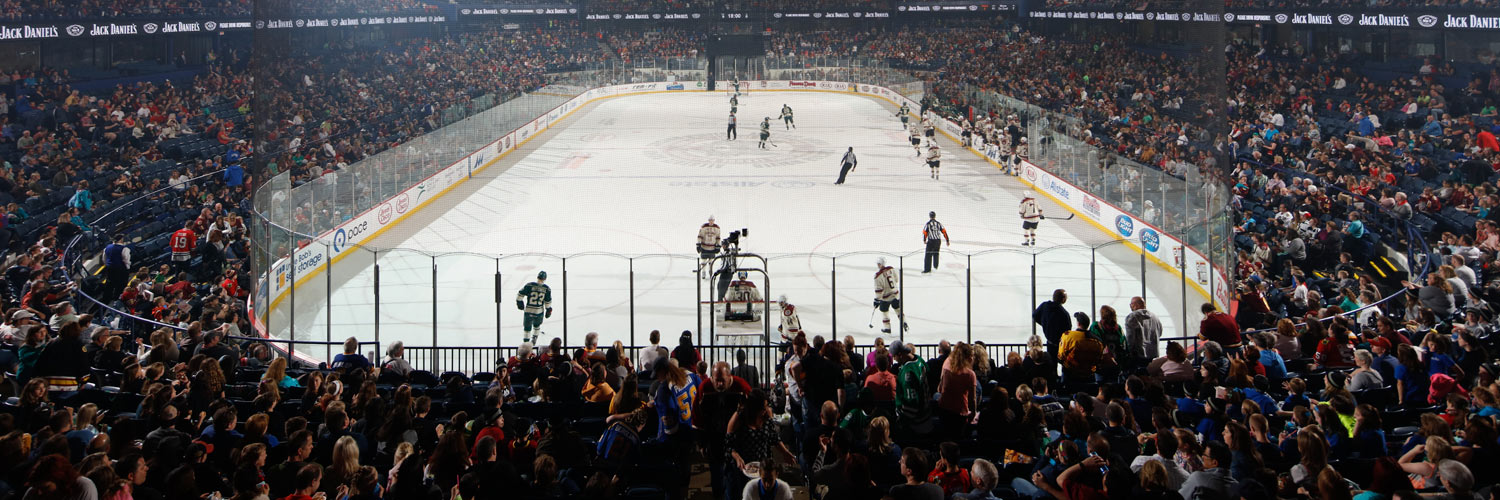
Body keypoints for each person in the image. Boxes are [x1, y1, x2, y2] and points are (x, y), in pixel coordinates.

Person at [1125, 296, 1163, 371]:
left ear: (1135, 305)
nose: (1130, 306)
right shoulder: (1155, 317)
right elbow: (1160, 332)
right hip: (1153, 355)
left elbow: (1130, 338)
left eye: (1131, 304)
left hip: (1139, 357)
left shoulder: (1132, 317)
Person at [516, 271, 553, 345]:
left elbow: (520, 295)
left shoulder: (529, 285)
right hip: (538, 312)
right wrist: (548, 310)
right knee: (537, 326)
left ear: (537, 277)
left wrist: (519, 302)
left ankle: (526, 343)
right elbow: (547, 302)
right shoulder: (547, 289)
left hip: (529, 311)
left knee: (527, 328)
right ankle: (534, 339)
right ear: (545, 279)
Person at [1035, 289, 1070, 359]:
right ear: (1063, 299)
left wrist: (1044, 324)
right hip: (1060, 345)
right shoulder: (1064, 313)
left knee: (1051, 365)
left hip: (1050, 343)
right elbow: (1068, 330)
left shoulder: (1045, 306)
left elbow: (1035, 315)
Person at [875, 257, 906, 333]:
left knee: (884, 312)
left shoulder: (878, 276)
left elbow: (879, 290)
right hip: (895, 294)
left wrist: (877, 300)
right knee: (898, 310)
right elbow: (897, 279)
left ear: (880, 264)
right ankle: (904, 322)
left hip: (885, 298)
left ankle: (887, 328)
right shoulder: (891, 269)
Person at [103, 234, 132, 299]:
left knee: (110, 284)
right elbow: (126, 260)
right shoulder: (124, 249)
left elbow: (104, 258)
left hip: (110, 268)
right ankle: (117, 298)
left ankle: (106, 298)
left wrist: (108, 265)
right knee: (121, 285)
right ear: (121, 239)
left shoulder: (107, 247)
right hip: (120, 269)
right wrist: (127, 269)